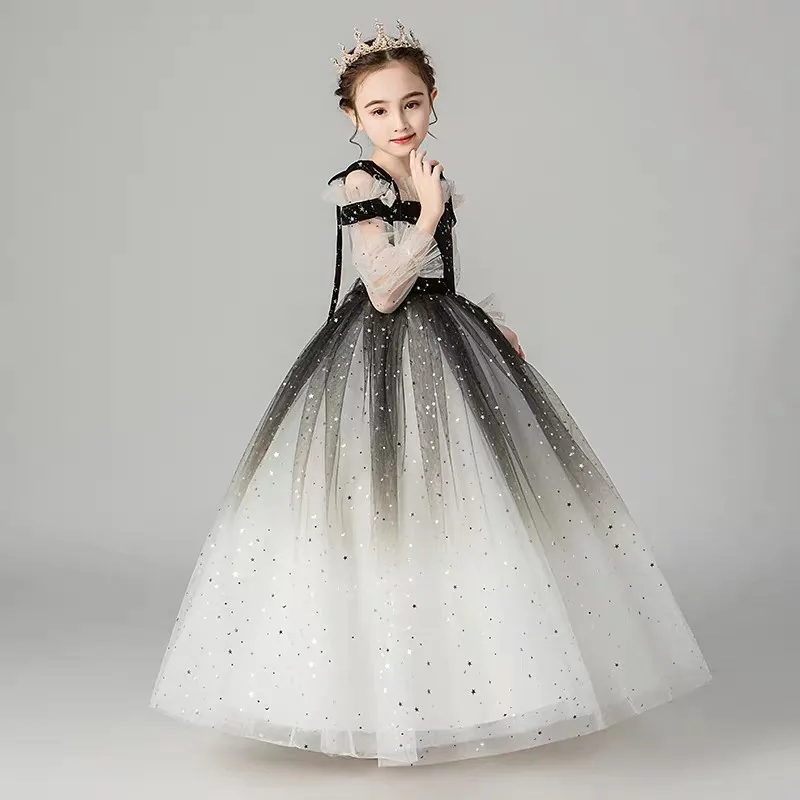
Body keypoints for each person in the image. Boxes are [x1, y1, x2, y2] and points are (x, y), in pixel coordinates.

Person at [149, 18, 711, 768]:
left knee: (459, 504)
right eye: (379, 109)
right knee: (386, 505)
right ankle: (381, 697)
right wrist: (432, 212)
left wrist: (489, 323)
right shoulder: (362, 183)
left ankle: (460, 689)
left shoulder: (427, 172)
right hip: (379, 354)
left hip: (446, 342)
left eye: (411, 103)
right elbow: (384, 289)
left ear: (433, 100)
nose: (399, 121)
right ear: (352, 116)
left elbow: (437, 276)